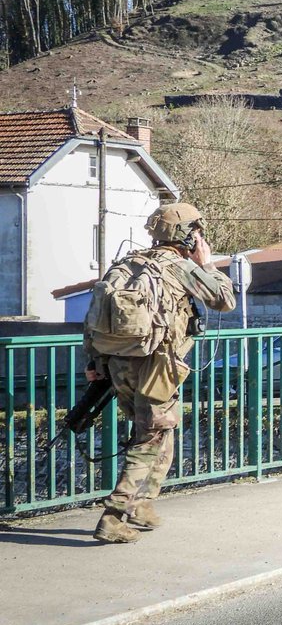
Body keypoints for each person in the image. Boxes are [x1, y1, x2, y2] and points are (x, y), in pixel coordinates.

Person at [89, 203, 236, 544]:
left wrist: (92, 362)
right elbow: (224, 300)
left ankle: (142, 504)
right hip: (157, 365)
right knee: (151, 437)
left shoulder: (127, 264)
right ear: (187, 235)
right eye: (196, 232)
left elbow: (94, 316)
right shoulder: (179, 267)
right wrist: (207, 264)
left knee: (160, 432)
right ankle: (113, 517)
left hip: (116, 363)